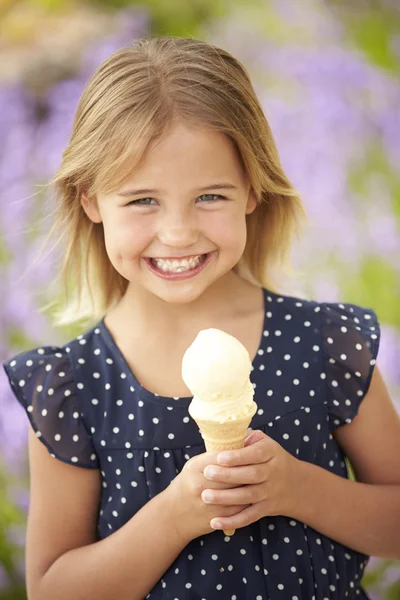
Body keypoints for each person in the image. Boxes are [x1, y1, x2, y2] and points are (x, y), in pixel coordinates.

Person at [3, 35, 400, 600]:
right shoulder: (71, 386)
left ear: (251, 191)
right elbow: (53, 589)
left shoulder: (325, 343)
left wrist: (298, 489)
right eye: (142, 200)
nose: (178, 233)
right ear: (91, 199)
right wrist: (174, 516)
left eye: (210, 196)